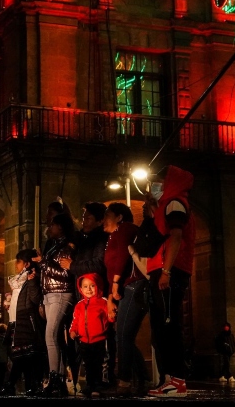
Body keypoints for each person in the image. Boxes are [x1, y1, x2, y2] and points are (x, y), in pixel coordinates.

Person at [144, 165, 195, 398]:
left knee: (169, 323)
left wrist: (166, 271)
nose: (157, 185)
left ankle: (176, 380)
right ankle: (170, 380)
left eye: (160, 181)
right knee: (162, 325)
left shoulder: (176, 203)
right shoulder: (169, 204)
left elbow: (175, 236)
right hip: (164, 268)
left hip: (169, 269)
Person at [61, 202, 110, 390]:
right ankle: (88, 381)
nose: (84, 221)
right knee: (85, 350)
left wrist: (72, 266)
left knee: (101, 349)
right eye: (83, 217)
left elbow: (98, 264)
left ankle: (104, 380)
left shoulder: (101, 239)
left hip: (97, 295)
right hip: (82, 296)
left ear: (99, 221)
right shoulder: (83, 238)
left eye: (88, 217)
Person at [103, 202, 149, 396]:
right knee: (123, 335)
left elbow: (122, 255)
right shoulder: (113, 235)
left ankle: (124, 380)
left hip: (133, 285)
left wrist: (114, 285)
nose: (104, 219)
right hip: (127, 287)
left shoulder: (125, 229)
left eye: (108, 215)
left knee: (123, 334)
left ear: (119, 217)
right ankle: (141, 377)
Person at [36, 211, 76, 397]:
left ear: (60, 227)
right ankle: (57, 377)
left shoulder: (66, 247)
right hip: (50, 294)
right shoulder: (53, 246)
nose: (49, 227)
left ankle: (55, 377)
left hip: (60, 293)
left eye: (52, 224)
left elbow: (66, 274)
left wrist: (43, 262)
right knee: (55, 337)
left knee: (50, 335)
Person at [0, 249, 46, 396]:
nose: (15, 264)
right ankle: (25, 386)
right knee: (20, 355)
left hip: (26, 320)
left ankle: (15, 385)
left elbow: (35, 299)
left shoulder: (32, 278)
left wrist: (32, 283)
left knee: (24, 355)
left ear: (26, 264)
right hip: (16, 321)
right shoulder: (18, 280)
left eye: (18, 261)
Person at [68, 273, 115, 397]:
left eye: (92, 286)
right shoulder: (79, 305)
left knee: (99, 363)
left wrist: (112, 317)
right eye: (85, 286)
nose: (88, 289)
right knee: (88, 364)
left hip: (100, 340)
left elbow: (109, 317)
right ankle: (90, 385)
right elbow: (75, 321)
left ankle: (99, 385)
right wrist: (73, 331)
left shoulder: (103, 302)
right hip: (84, 341)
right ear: (81, 289)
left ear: (98, 286)